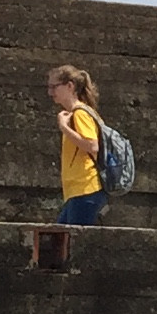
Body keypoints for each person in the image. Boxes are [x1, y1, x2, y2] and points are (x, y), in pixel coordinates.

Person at [46, 67, 108, 227]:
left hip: (85, 189)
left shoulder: (80, 113)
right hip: (78, 191)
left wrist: (64, 127)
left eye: (54, 87)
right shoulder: (76, 113)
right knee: (59, 241)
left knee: (68, 243)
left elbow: (92, 146)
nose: (50, 92)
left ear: (70, 86)